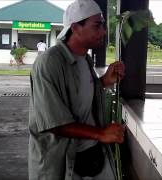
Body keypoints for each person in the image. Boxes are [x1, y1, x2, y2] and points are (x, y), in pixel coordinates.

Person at [28, 0, 125, 179]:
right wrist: (101, 134)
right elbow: (54, 122)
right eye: (97, 26)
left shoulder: (85, 59)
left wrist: (103, 81)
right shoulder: (50, 62)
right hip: (62, 164)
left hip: (90, 154)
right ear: (75, 27)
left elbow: (81, 96)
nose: (103, 31)